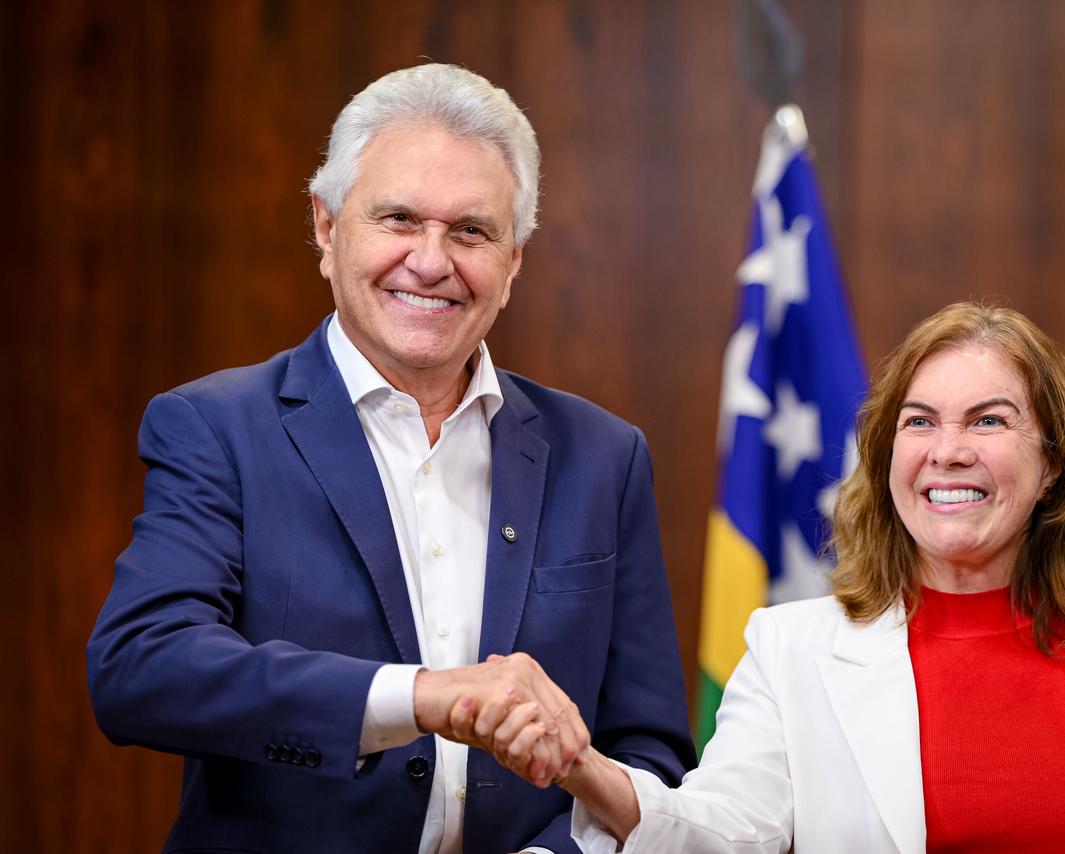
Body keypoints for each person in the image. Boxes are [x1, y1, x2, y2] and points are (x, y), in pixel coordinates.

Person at [86, 63, 694, 854]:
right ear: (327, 226)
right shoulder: (216, 428)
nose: (431, 262)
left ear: (513, 261)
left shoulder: (605, 457)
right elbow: (141, 667)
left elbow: (650, 755)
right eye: (399, 218)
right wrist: (422, 697)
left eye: (471, 231)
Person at [461, 301, 1065, 852]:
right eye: (919, 421)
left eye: (989, 420)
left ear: (1053, 465)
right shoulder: (790, 649)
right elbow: (718, 836)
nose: (948, 451)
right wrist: (584, 768)